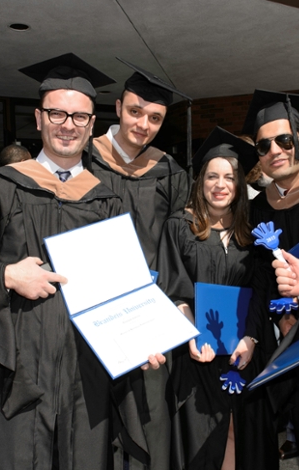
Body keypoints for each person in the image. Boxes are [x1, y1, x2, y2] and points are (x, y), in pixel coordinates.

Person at [0, 53, 151, 469]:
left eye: (79, 116)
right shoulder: (0, 189)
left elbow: (127, 282)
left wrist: (140, 338)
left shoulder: (108, 198)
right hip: (17, 372)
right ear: (38, 118)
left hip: (85, 373)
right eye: (57, 113)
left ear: (92, 125)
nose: (67, 124)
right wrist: (5, 276)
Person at [88, 58, 192, 470]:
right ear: (117, 108)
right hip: (90, 311)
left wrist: (180, 301)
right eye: (135, 112)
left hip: (146, 313)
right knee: (92, 418)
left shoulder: (168, 171)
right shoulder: (83, 159)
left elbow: (178, 246)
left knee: (151, 415)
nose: (143, 124)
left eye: (154, 117)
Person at [157, 127, 278, 469]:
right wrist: (190, 333)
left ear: (240, 185)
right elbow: (173, 287)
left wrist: (252, 338)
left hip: (244, 351)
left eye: (229, 177)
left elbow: (260, 289)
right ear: (201, 182)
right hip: (198, 353)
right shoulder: (180, 227)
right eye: (212, 176)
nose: (220, 184)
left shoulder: (252, 231)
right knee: (203, 439)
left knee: (241, 434)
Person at [237, 89, 299, 466]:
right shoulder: (255, 209)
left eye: (284, 140)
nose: (274, 151)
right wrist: (250, 335)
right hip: (273, 352)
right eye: (263, 146)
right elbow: (254, 281)